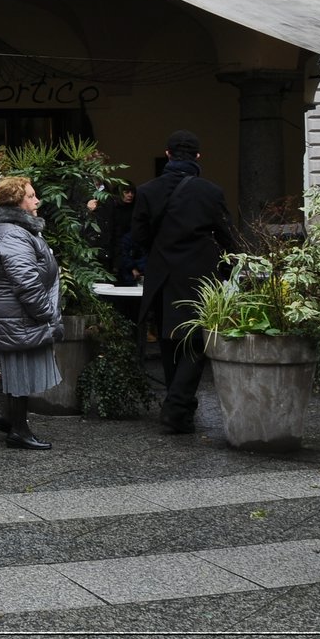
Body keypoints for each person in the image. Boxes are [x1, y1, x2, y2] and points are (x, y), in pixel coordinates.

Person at [130, 130, 235, 434]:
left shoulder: (148, 191)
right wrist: (228, 270)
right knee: (196, 343)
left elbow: (138, 238)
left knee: (169, 341)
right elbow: (227, 235)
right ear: (198, 157)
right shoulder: (210, 192)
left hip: (163, 275)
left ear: (168, 155)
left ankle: (182, 410)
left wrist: (160, 248)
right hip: (200, 276)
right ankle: (176, 407)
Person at [0, 176, 64, 449]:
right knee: (19, 372)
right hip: (17, 315)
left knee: (18, 370)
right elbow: (26, 282)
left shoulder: (18, 229)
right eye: (30, 195)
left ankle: (9, 418)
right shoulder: (12, 233)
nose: (37, 200)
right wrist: (45, 313)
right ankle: (18, 431)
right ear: (15, 202)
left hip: (15, 314)